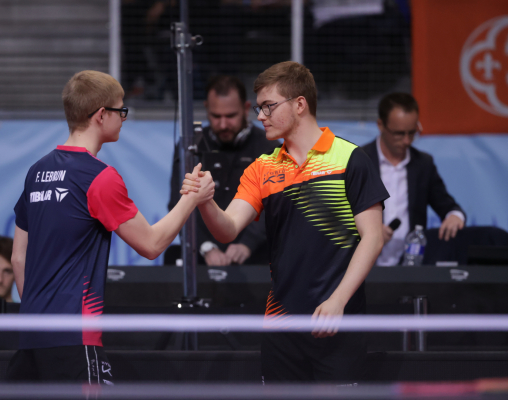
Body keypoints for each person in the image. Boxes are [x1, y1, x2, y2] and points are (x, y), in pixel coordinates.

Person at [181, 61, 389, 383]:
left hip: (337, 320)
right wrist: (205, 202)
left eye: (268, 106)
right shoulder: (262, 168)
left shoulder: (350, 159)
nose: (260, 116)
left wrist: (338, 300)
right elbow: (228, 230)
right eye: (260, 108)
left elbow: (372, 238)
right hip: (280, 326)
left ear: (300, 104)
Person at [7, 70, 213, 384]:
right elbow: (152, 244)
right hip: (75, 336)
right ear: (101, 115)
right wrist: (192, 197)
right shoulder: (98, 176)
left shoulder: (37, 171)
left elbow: (18, 259)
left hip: (31, 337)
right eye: (121, 110)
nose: (124, 118)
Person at [169, 76, 278, 266]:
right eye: (216, 116)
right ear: (206, 109)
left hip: (258, 260)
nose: (223, 124)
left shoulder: (267, 146)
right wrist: (205, 247)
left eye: (230, 116)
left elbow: (275, 205)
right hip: (202, 261)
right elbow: (177, 204)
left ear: (245, 109)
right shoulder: (192, 146)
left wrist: (247, 244)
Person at [362, 93, 466, 266]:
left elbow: (447, 205)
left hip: (412, 267)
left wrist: (454, 216)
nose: (406, 141)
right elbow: (338, 217)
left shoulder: (423, 164)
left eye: (412, 133)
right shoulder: (360, 161)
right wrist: (367, 231)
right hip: (366, 267)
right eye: (399, 133)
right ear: (380, 125)